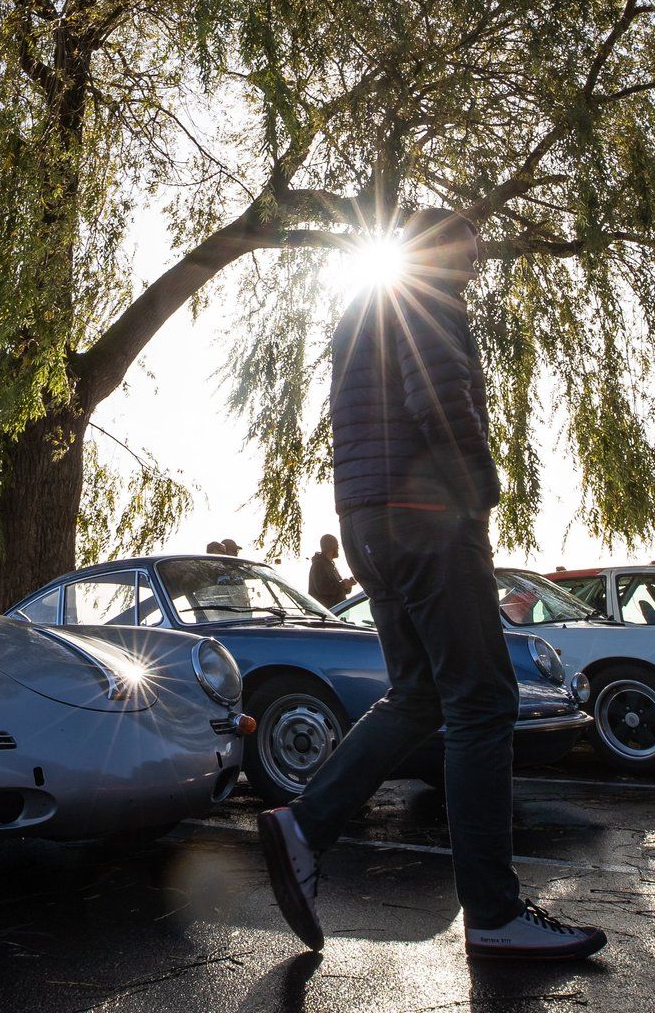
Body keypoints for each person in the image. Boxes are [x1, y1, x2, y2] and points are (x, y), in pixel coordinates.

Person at [255, 209, 605, 964]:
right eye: (468, 253)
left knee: (418, 693)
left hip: (367, 521)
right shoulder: (426, 300)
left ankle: (305, 824)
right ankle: (493, 912)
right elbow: (441, 400)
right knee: (483, 699)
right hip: (425, 519)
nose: (475, 267)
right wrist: (478, 493)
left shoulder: (358, 314)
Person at [308, 534, 356, 605]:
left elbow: (336, 590)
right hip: (326, 613)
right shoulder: (319, 565)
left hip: (335, 612)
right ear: (331, 547)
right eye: (337, 545)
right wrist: (343, 585)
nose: (338, 548)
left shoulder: (330, 565)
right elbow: (322, 588)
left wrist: (349, 585)